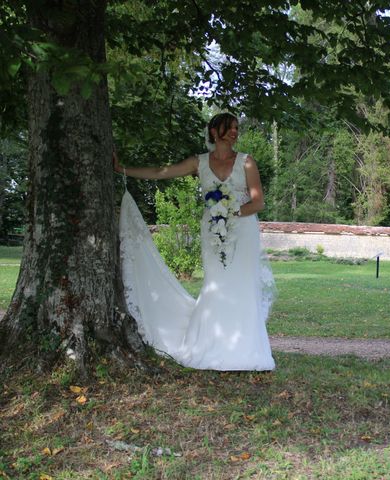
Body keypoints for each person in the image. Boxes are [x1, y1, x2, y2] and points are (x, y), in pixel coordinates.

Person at [114, 113, 275, 371]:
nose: (234, 132)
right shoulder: (199, 162)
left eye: (236, 128)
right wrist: (124, 169)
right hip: (211, 230)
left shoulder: (246, 163)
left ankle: (245, 348)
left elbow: (258, 202)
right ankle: (211, 344)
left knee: (242, 284)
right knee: (216, 283)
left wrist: (231, 212)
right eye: (229, 127)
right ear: (214, 131)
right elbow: (161, 172)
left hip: (242, 230)